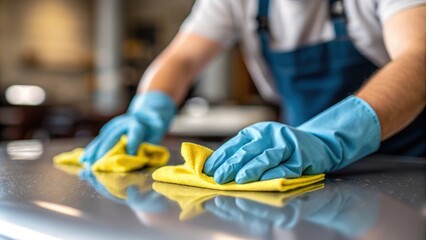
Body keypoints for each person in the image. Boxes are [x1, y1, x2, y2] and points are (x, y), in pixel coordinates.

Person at [81, 0, 426, 184]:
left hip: (404, 163)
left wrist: (330, 138)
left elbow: (419, 58)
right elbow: (183, 58)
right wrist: (147, 110)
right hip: (298, 166)